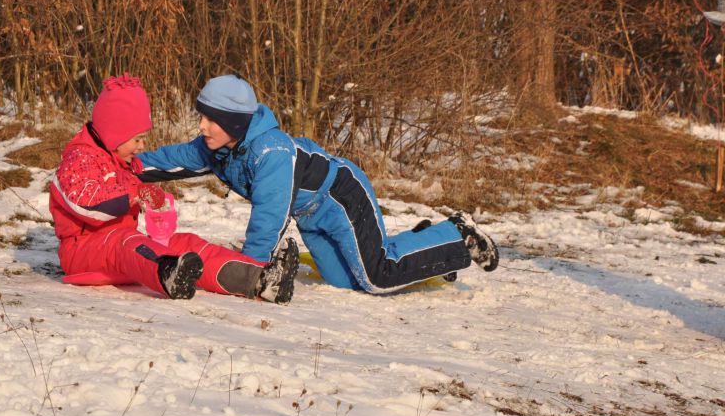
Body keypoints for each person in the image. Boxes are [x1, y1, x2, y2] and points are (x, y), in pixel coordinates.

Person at [137, 74, 499, 293]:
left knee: (376, 277)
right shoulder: (216, 148)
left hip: (340, 196)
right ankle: (423, 244)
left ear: (232, 122)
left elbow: (270, 215)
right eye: (201, 116)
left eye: (209, 119)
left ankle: (457, 234)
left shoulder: (271, 153)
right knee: (345, 283)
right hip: (312, 215)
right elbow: (170, 162)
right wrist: (124, 163)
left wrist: (250, 272)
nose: (201, 126)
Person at [48, 73, 298, 302]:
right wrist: (136, 193)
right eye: (137, 139)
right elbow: (87, 204)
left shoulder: (122, 161)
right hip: (82, 252)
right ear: (115, 134)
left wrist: (156, 205)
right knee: (127, 241)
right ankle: (168, 272)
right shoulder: (78, 159)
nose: (141, 145)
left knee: (181, 242)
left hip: (121, 246)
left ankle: (259, 280)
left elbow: (135, 193)